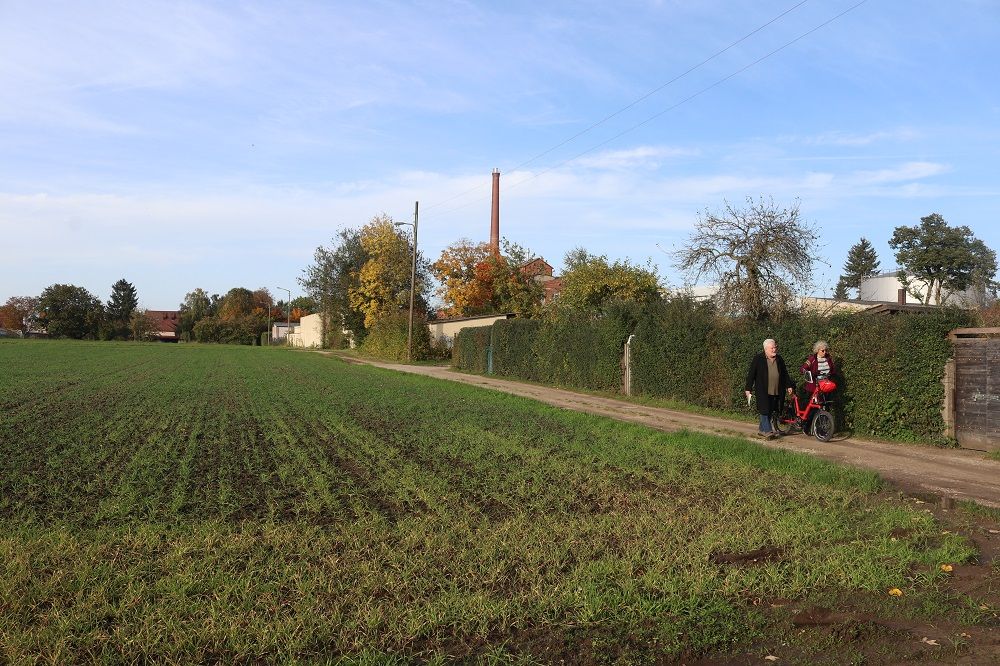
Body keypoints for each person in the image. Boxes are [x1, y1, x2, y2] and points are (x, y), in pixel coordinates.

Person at [744, 338, 794, 439]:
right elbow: (751, 374)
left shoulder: (779, 359)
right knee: (764, 409)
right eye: (772, 348)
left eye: (775, 347)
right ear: (765, 349)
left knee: (771, 410)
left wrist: (789, 385)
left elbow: (785, 374)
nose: (774, 349)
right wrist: (748, 388)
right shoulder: (758, 359)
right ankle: (768, 431)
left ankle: (762, 430)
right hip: (763, 390)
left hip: (776, 390)